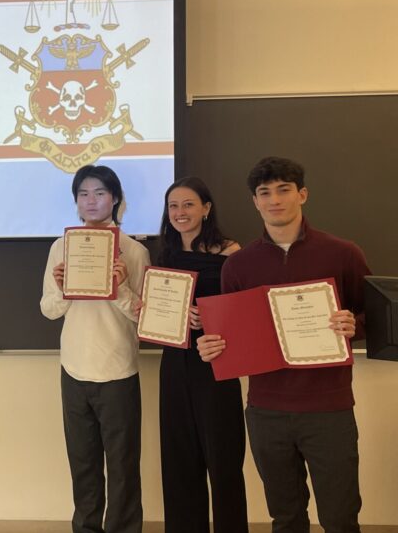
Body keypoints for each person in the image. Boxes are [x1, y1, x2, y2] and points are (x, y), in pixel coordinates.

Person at [198, 157, 370, 533]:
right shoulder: (238, 266)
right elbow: (232, 335)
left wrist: (352, 324)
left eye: (284, 190)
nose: (274, 200)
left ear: (302, 194)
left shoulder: (343, 253)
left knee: (340, 518)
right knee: (286, 518)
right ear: (254, 202)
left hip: (330, 410)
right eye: (265, 193)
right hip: (266, 412)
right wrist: (213, 346)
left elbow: (376, 317)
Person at [40, 165, 150, 533]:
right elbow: (50, 310)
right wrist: (60, 287)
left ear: (115, 198)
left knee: (122, 464)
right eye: (84, 194)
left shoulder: (134, 250)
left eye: (100, 193)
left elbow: (143, 317)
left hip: (118, 369)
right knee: (83, 462)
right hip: (73, 368)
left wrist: (118, 287)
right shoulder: (61, 247)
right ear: (76, 201)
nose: (91, 201)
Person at [151, 177, 247, 532]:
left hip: (216, 362)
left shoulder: (230, 252)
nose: (180, 212)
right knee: (179, 458)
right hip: (175, 362)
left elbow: (243, 310)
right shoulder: (165, 254)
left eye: (188, 204)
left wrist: (208, 316)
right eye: (173, 206)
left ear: (206, 209)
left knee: (223, 460)